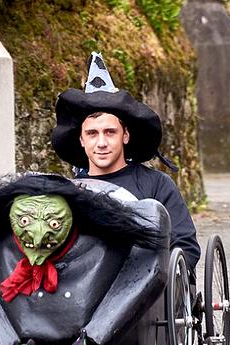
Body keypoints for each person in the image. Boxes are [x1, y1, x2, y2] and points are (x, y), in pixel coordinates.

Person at [51, 52, 201, 277]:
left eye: (110, 132)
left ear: (125, 135)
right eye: (92, 133)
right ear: (82, 140)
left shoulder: (156, 185)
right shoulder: (71, 192)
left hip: (144, 287)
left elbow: (185, 246)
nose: (101, 143)